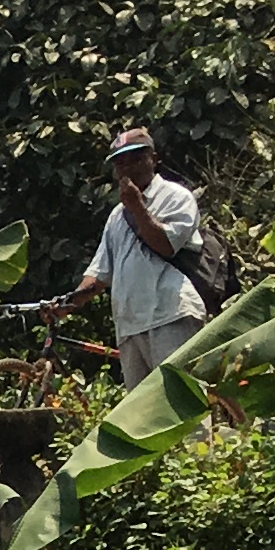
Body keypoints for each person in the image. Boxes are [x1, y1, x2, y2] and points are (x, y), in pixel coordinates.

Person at [58, 125, 209, 385]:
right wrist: (67, 303)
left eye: (137, 159)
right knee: (142, 419)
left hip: (170, 314)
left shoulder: (175, 197)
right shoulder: (116, 216)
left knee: (182, 408)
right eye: (121, 163)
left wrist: (137, 206)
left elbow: (166, 245)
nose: (129, 168)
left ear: (154, 159)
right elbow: (99, 274)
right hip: (130, 326)